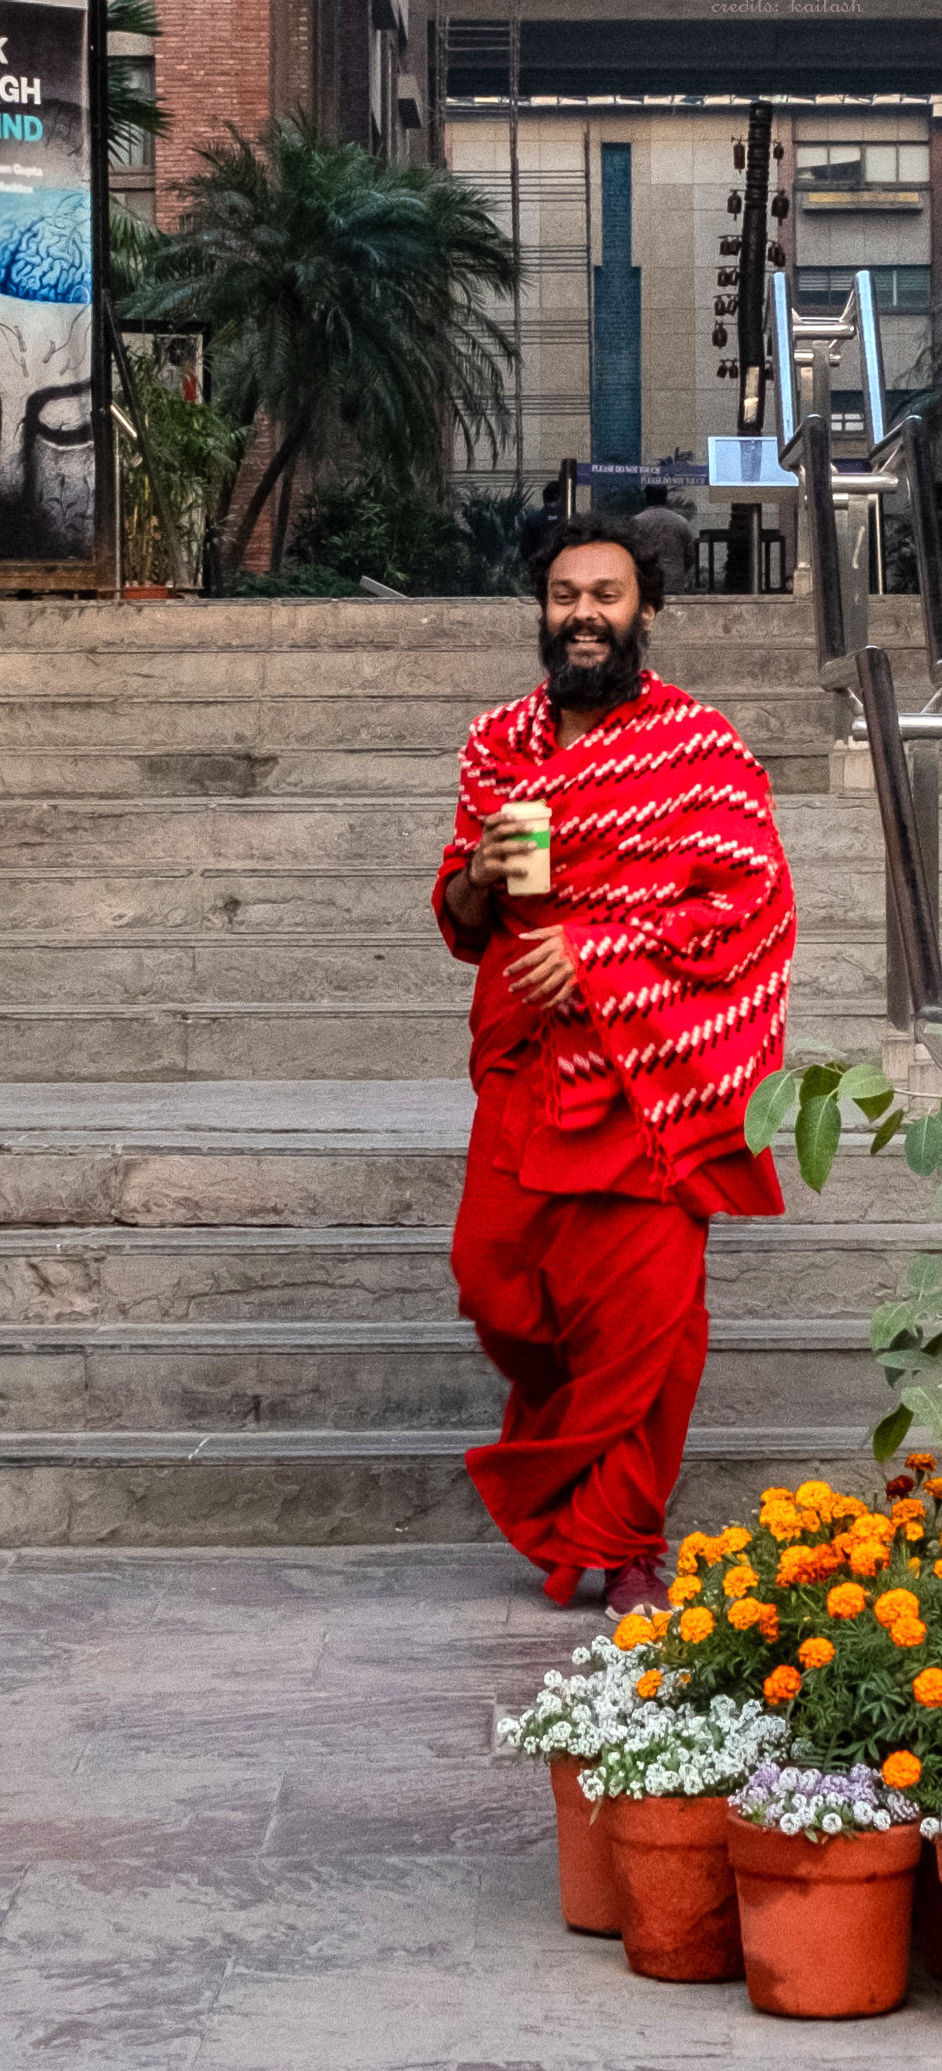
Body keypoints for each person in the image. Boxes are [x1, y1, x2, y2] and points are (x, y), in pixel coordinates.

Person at [432, 516, 796, 1618]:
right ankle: (572, 1484)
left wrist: (595, 955)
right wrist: (483, 876)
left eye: (607, 593)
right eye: (563, 594)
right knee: (496, 1288)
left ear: (647, 610)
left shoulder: (703, 749)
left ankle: (630, 1536)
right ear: (541, 610)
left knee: (649, 1323)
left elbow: (753, 909)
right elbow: (454, 914)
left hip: (647, 1083)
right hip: (525, 1072)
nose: (584, 612)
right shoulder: (498, 745)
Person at [633, 484, 695, 594]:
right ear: (665, 498)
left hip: (646, 579)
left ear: (646, 498)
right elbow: (690, 554)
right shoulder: (680, 522)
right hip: (674, 580)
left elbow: (631, 552)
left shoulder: (637, 522)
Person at [519, 479, 564, 565]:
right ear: (560, 497)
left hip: (539, 566)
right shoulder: (566, 519)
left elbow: (525, 550)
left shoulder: (533, 519)